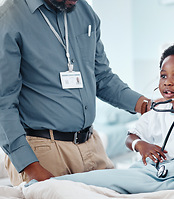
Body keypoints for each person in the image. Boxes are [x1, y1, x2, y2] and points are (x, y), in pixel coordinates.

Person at [30, 42, 174, 194]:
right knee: (104, 181)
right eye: (163, 75)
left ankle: (55, 186)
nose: (167, 82)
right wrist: (142, 146)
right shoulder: (157, 110)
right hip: (152, 171)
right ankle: (52, 187)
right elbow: (130, 137)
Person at [0, 0, 150, 186]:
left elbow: (102, 77)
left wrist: (148, 106)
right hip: (42, 150)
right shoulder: (10, 18)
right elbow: (3, 102)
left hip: (91, 144)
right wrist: (30, 166)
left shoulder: (85, 11)